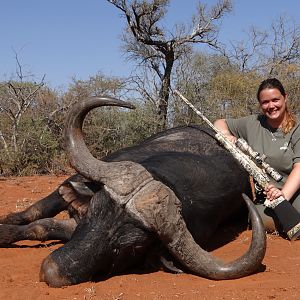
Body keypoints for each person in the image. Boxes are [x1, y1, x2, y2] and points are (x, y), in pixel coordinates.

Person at [214, 78, 300, 238]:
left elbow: (299, 167)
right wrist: (226, 135)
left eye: (275, 100)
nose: (271, 106)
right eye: (265, 102)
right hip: (267, 198)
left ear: (285, 98)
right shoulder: (253, 123)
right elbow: (220, 122)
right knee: (256, 219)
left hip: (293, 192)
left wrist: (283, 196)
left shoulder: (297, 126)